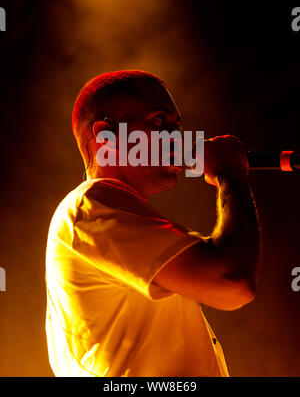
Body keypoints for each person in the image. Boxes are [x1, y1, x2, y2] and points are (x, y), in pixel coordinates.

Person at [45, 70, 261, 377]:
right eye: (159, 122)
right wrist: (231, 176)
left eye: (178, 126)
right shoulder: (90, 208)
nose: (179, 139)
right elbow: (231, 282)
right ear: (106, 135)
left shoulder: (112, 215)